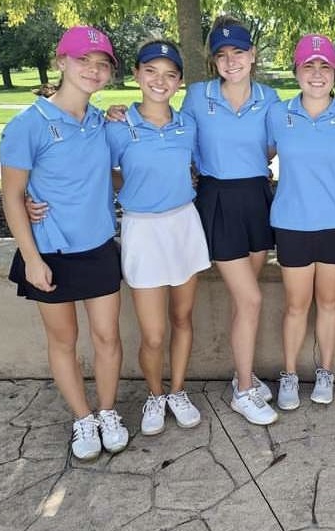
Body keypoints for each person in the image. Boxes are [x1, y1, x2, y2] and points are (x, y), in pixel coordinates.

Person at [0, 26, 129, 461]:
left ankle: (108, 412)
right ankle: (82, 417)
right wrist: (32, 258)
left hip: (97, 248)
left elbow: (111, 175)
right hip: (49, 251)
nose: (93, 70)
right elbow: (12, 197)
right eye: (83, 60)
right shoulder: (27, 125)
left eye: (102, 64)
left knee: (108, 338)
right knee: (64, 342)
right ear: (61, 62)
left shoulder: (101, 122)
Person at [104, 39, 211, 435]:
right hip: (143, 229)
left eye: (169, 74)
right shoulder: (116, 125)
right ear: (136, 75)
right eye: (150, 71)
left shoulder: (188, 124)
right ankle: (154, 394)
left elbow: (205, 164)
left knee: (182, 318)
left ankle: (178, 391)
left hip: (184, 223)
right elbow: (99, 170)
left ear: (180, 81)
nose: (159, 81)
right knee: (153, 333)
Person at [181, 16, 279, 425]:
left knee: (247, 299)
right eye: (222, 55)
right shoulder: (197, 96)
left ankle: (245, 373)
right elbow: (170, 139)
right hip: (217, 199)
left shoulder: (270, 97)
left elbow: (276, 146)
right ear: (213, 62)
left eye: (238, 52)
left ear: (252, 55)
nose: (231, 61)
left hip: (257, 197)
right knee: (251, 299)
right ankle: (242, 389)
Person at [267, 34, 335, 410]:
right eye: (308, 66)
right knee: (296, 306)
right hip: (292, 223)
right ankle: (291, 374)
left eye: (324, 67)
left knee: (328, 303)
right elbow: (256, 158)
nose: (316, 74)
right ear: (296, 71)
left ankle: (325, 371)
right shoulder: (278, 114)